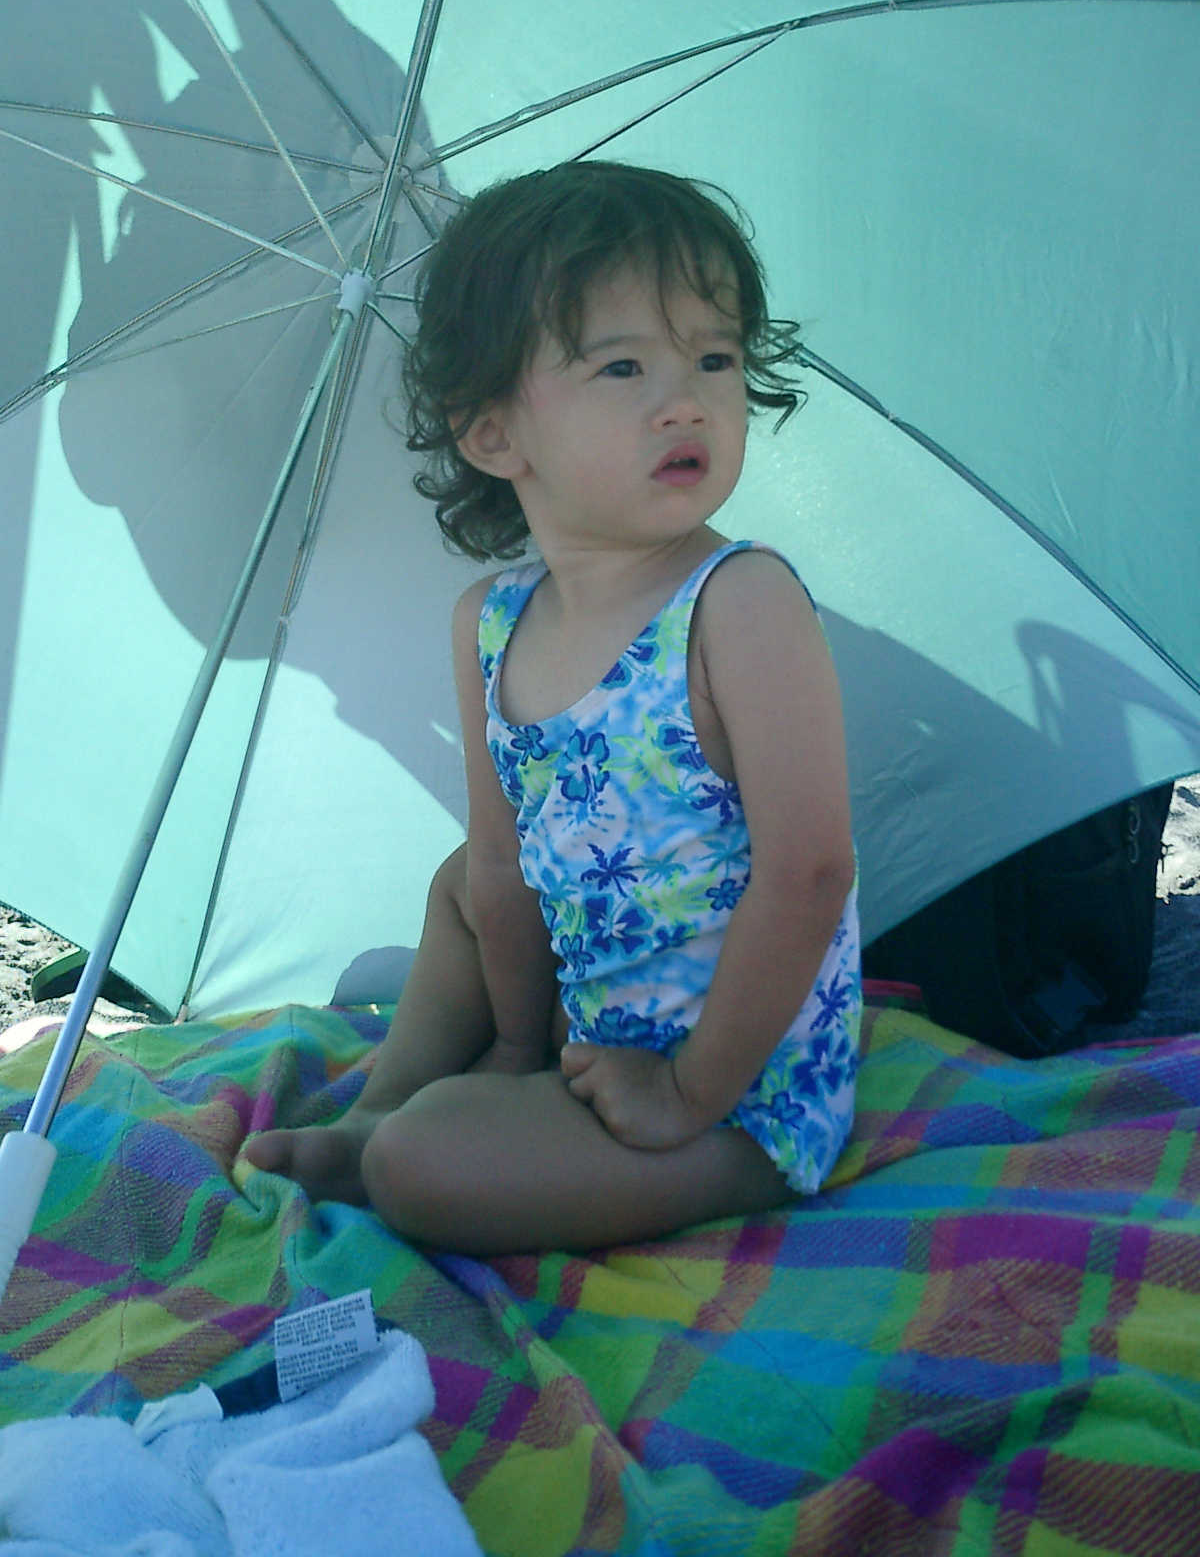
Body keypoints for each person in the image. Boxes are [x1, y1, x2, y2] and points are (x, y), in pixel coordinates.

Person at [244, 161, 861, 1254]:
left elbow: (810, 871)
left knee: (425, 1167)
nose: (687, 399)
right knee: (463, 885)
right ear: (493, 435)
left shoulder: (739, 602)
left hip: (736, 1083)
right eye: (623, 366)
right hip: (589, 1027)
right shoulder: (492, 621)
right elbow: (501, 864)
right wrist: (518, 1052)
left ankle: (435, 1140)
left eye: (715, 358)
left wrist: (685, 1090)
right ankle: (380, 1105)